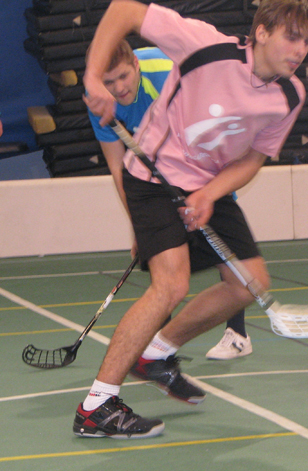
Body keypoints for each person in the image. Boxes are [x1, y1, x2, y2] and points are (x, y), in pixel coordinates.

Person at [75, 0, 308, 439]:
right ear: (262, 32)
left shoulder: (290, 95)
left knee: (248, 283)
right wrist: (94, 78)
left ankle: (156, 353)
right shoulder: (205, 45)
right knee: (170, 285)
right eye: (291, 37)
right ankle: (96, 406)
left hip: (207, 183)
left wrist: (209, 193)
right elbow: (124, 9)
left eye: (306, 41)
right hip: (152, 176)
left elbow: (252, 159)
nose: (300, 49)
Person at [87, 40, 252, 361]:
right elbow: (118, 168)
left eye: (123, 76)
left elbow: (203, 134)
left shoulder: (166, 74)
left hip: (202, 150)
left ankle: (238, 334)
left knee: (224, 244)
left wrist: (201, 195)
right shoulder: (99, 100)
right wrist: (140, 224)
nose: (118, 88)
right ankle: (161, 350)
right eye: (108, 82)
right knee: (160, 249)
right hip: (153, 170)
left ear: (136, 64)